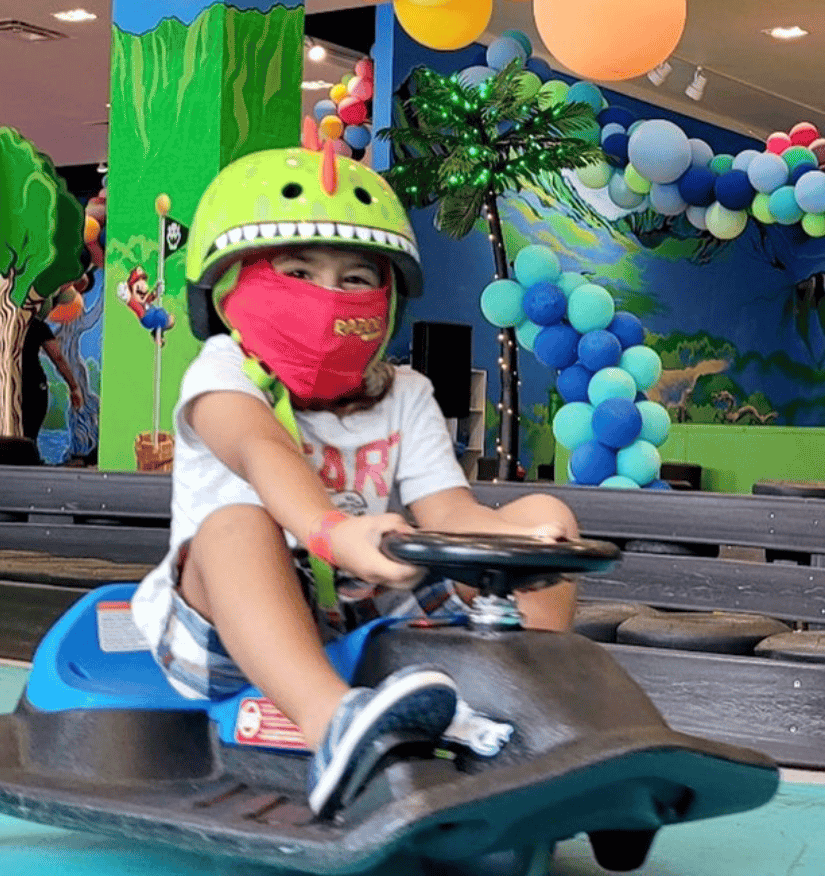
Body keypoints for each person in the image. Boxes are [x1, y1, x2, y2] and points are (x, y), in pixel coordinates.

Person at [131, 143, 579, 817]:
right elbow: (260, 452)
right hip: (226, 620)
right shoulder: (223, 372)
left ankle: (525, 710)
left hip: (362, 603)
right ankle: (332, 723)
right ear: (228, 287)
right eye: (300, 272)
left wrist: (524, 543)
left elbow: (449, 508)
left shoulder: (407, 391)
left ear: (387, 295)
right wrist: (335, 532)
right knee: (235, 526)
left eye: (354, 279)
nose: (327, 297)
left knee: (543, 509)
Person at [22, 312, 83, 443]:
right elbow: (58, 358)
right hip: (32, 385)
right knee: (29, 436)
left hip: (10, 387)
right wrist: (74, 387)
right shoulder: (36, 325)